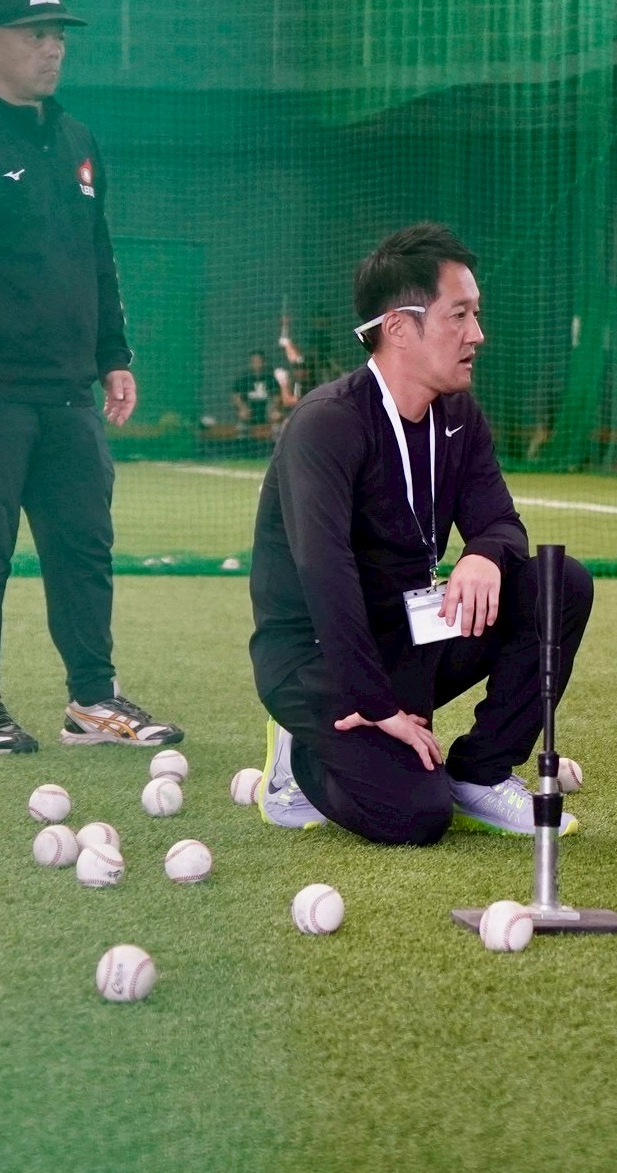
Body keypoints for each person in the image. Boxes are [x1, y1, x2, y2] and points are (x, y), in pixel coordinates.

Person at [0, 0, 182, 755]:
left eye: (58, 34)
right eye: (36, 34)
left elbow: (99, 257)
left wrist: (113, 356)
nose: (52, 47)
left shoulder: (79, 142)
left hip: (67, 397)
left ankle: (92, 701)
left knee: (83, 547)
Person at [247, 223, 594, 844]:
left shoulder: (458, 416)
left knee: (557, 584)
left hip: (406, 628)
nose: (477, 334)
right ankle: (301, 756)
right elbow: (326, 579)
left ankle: (481, 772)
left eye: (475, 315)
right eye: (458, 316)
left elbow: (501, 522)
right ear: (399, 328)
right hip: (317, 656)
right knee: (413, 815)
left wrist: (484, 554)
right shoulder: (328, 424)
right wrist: (377, 705)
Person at [232, 350, 280, 434]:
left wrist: (272, 407)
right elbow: (236, 397)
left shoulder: (271, 379)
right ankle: (243, 437)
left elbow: (277, 397)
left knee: (276, 415)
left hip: (266, 410)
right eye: (254, 361)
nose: (257, 364)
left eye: (259, 361)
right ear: (250, 363)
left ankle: (276, 438)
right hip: (250, 410)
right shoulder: (243, 379)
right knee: (243, 414)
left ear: (264, 362)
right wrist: (243, 407)